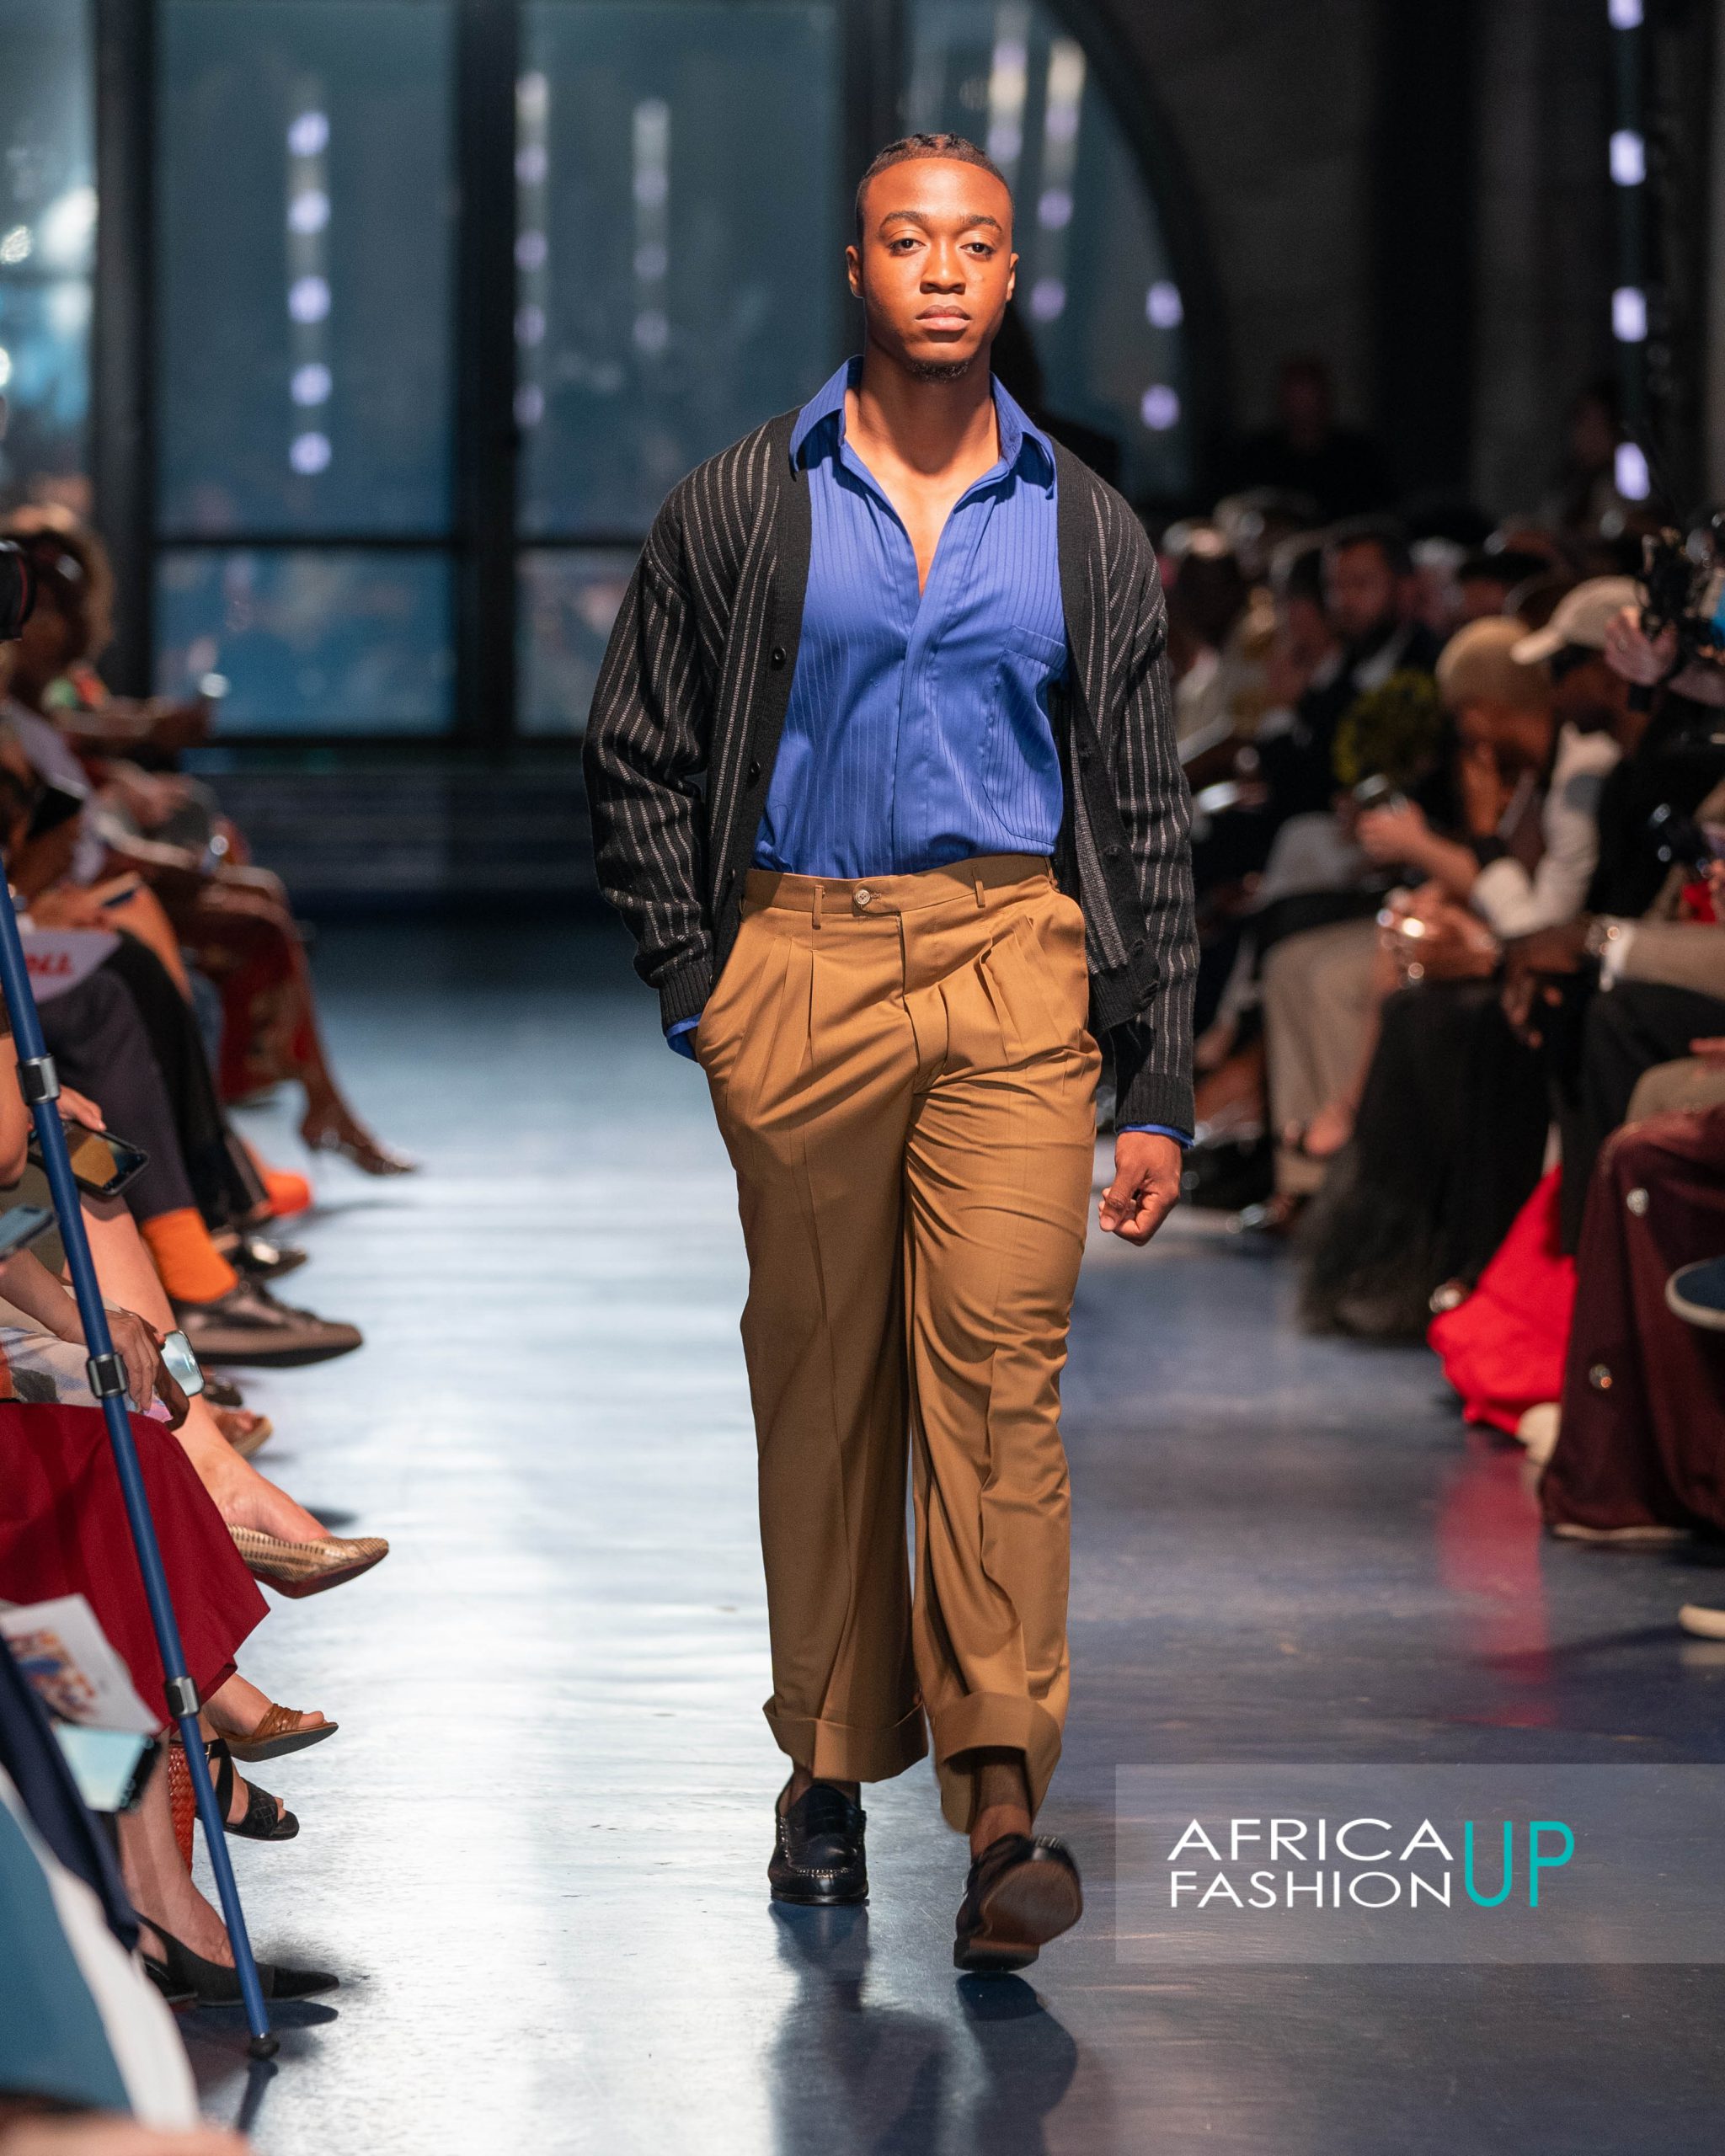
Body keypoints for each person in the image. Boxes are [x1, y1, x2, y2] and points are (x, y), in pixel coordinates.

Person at [585, 132, 1196, 1973]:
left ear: (1009, 277)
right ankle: (830, 1768)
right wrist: (702, 983)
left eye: (975, 243)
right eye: (907, 240)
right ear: (855, 266)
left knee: (998, 1375)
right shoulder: (738, 503)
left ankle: (1003, 1799)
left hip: (1016, 960)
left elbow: (1142, 809)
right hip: (802, 959)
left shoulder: (1084, 525)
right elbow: (636, 750)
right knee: (827, 1384)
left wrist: (1158, 1074)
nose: (942, 269)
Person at [1220, 356, 1395, 522]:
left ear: (1326, 400)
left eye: (1310, 398)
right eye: (1296, 399)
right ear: (1281, 401)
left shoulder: (1358, 456)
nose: (1303, 410)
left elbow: (1381, 513)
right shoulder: (1257, 456)